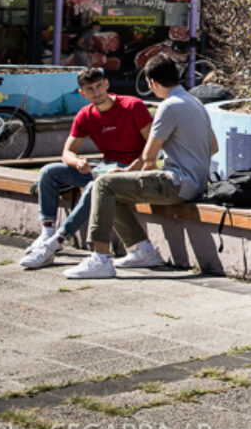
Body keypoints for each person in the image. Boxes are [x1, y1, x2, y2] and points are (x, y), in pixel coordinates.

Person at [65, 54, 217, 279]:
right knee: (114, 188)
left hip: (178, 183)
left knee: (105, 184)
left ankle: (100, 259)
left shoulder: (169, 107)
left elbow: (148, 157)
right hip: (196, 183)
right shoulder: (195, 102)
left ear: (153, 83)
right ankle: (141, 250)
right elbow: (213, 147)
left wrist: (127, 174)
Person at [19, 68, 152, 269]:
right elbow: (67, 153)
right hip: (104, 167)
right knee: (48, 172)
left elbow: (153, 146)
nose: (96, 92)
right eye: (90, 89)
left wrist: (132, 168)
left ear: (107, 84)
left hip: (130, 171)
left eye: (99, 86)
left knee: (94, 187)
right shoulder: (85, 115)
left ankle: (56, 242)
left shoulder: (133, 106)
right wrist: (77, 163)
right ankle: (46, 233)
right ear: (83, 93)